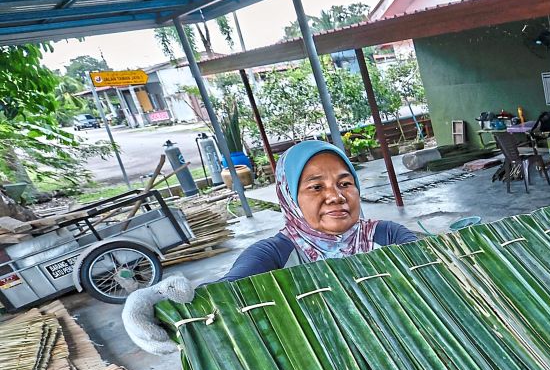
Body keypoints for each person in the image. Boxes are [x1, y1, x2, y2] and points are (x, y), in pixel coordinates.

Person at [123, 140, 417, 355]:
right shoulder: (274, 254)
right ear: (289, 195)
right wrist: (153, 301)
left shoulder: (386, 235)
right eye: (316, 187)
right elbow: (222, 295)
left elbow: (430, 263)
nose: (336, 196)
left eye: (345, 183)